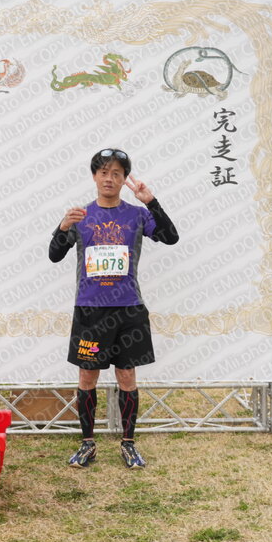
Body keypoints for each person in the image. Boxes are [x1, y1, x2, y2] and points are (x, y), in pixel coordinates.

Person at [49, 148, 179, 469]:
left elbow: (170, 237)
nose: (110, 178)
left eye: (117, 173)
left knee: (127, 376)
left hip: (128, 309)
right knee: (87, 376)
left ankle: (129, 443)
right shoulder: (80, 215)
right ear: (95, 176)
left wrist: (151, 202)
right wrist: (62, 227)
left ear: (123, 180)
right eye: (104, 172)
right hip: (90, 310)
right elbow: (54, 255)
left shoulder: (137, 215)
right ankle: (87, 443)